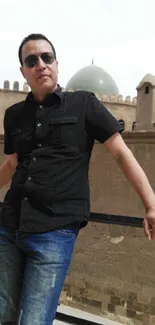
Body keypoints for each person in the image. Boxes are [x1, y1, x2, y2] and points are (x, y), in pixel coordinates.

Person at [0, 33, 155, 325]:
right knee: (4, 315)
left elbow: (121, 153)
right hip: (8, 227)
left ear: (57, 64)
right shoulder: (15, 115)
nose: (40, 65)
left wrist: (150, 204)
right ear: (23, 71)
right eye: (31, 61)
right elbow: (12, 163)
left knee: (33, 320)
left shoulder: (84, 104)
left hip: (53, 233)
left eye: (46, 58)